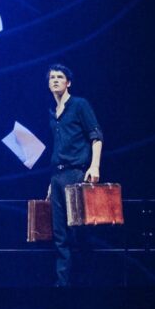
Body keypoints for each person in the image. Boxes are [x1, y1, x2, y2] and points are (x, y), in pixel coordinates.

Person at [45, 65, 103, 286]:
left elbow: (96, 135)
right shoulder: (53, 112)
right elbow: (58, 147)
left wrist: (94, 166)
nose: (56, 80)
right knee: (59, 235)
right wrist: (51, 182)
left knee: (77, 231)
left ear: (68, 82)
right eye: (52, 77)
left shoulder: (79, 105)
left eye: (60, 77)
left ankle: (84, 283)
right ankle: (62, 285)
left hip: (75, 174)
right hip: (57, 176)